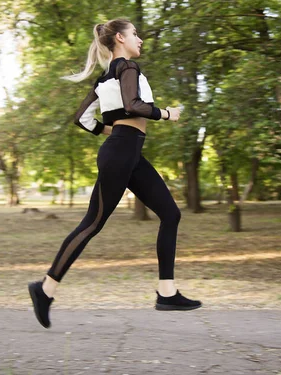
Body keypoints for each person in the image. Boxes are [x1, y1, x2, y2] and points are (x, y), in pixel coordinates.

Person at [28, 18, 201, 329]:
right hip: (122, 152)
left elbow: (82, 119)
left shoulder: (105, 78)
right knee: (92, 223)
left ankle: (166, 292)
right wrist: (166, 113)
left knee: (170, 214)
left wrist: (114, 129)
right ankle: (45, 289)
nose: (141, 40)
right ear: (120, 38)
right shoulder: (127, 68)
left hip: (126, 151)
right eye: (135, 34)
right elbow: (134, 105)